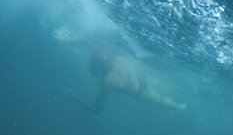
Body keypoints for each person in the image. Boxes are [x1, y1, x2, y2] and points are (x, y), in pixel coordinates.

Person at [54, 32, 187, 114]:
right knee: (163, 93)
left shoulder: (108, 81)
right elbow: (95, 50)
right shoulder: (110, 56)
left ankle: (179, 108)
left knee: (161, 100)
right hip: (143, 75)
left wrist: (74, 98)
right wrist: (74, 39)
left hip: (143, 92)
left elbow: (97, 109)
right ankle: (175, 103)